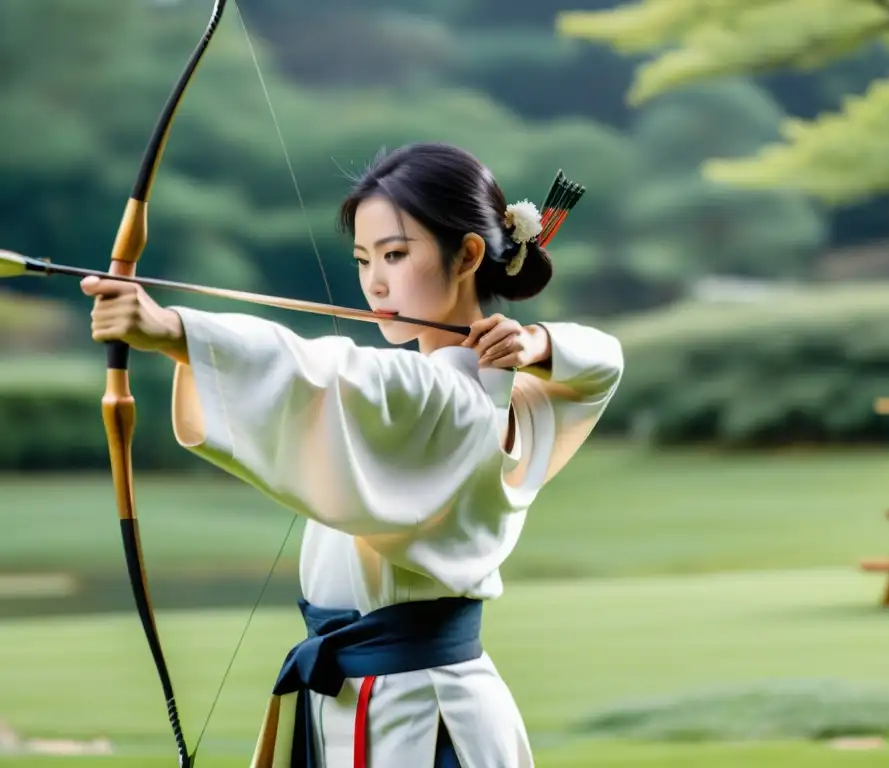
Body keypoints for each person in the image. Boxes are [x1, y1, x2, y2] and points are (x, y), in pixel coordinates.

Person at [81, 142, 623, 768]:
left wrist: (171, 330)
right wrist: (539, 343)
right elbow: (603, 361)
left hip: (415, 718)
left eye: (396, 254)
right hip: (385, 699)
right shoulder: (514, 395)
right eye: (364, 260)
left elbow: (325, 372)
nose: (375, 282)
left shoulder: (440, 394)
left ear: (469, 254)